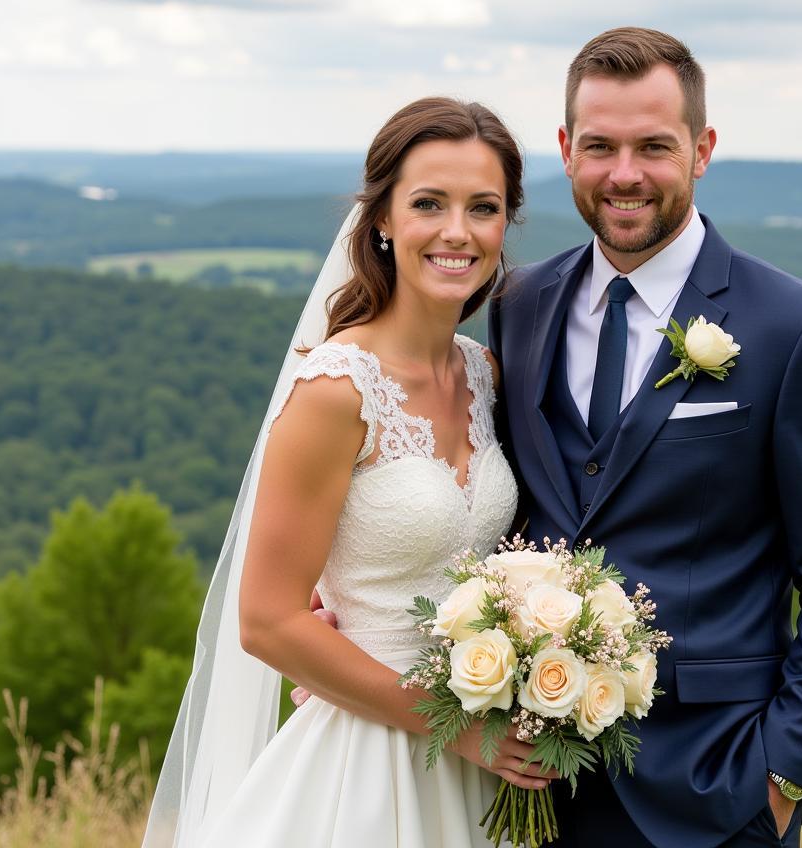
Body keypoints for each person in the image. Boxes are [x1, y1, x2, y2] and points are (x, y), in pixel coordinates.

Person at [486, 28, 802, 847]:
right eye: (600, 145)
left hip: (717, 790)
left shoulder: (796, 329)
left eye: (655, 147)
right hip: (525, 781)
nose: (625, 173)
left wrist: (784, 779)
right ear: (567, 151)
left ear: (702, 150)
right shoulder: (518, 305)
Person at [143, 97, 549, 848]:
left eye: (483, 207)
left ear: (504, 226)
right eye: (429, 203)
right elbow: (266, 621)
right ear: (383, 220)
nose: (457, 231)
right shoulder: (336, 389)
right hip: (368, 767)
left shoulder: (485, 372)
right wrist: (449, 726)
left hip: (488, 767)